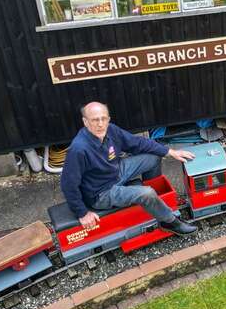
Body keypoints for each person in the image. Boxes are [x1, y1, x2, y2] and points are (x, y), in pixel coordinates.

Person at [61, 101, 198, 236]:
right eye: (95, 120)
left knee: (154, 157)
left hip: (116, 172)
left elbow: (138, 143)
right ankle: (168, 221)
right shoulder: (79, 149)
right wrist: (82, 213)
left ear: (108, 118)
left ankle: (153, 200)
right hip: (101, 192)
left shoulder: (111, 130)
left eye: (104, 119)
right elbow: (68, 184)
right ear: (85, 122)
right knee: (147, 193)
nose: (101, 124)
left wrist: (170, 152)